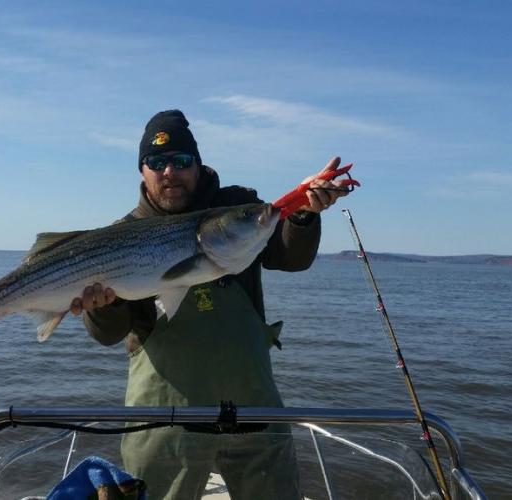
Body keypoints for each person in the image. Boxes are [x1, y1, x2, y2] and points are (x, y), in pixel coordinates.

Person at [70, 109, 349, 499]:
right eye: (157, 162)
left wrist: (302, 214)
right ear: (142, 171)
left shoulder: (237, 208)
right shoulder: (119, 236)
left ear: (198, 166)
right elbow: (110, 334)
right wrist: (102, 306)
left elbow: (290, 257)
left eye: (182, 161)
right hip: (163, 417)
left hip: (252, 407)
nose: (170, 172)